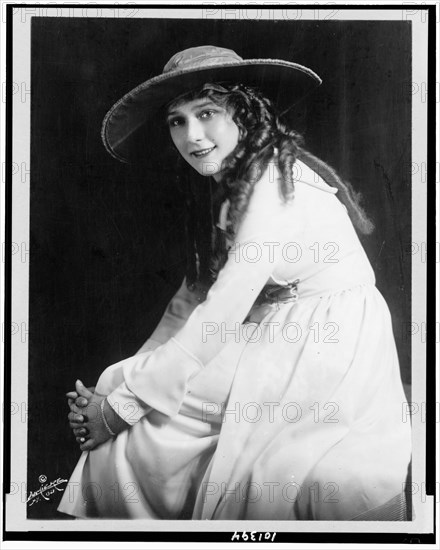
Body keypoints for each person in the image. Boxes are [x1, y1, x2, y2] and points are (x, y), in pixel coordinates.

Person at [58, 45, 411, 520]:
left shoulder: (273, 182)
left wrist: (121, 407)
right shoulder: (234, 183)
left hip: (327, 344)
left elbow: (223, 310)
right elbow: (193, 297)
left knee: (142, 415)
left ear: (245, 113)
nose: (193, 136)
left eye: (207, 113)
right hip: (277, 329)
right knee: (124, 381)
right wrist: (124, 386)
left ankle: (132, 515)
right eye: (177, 122)